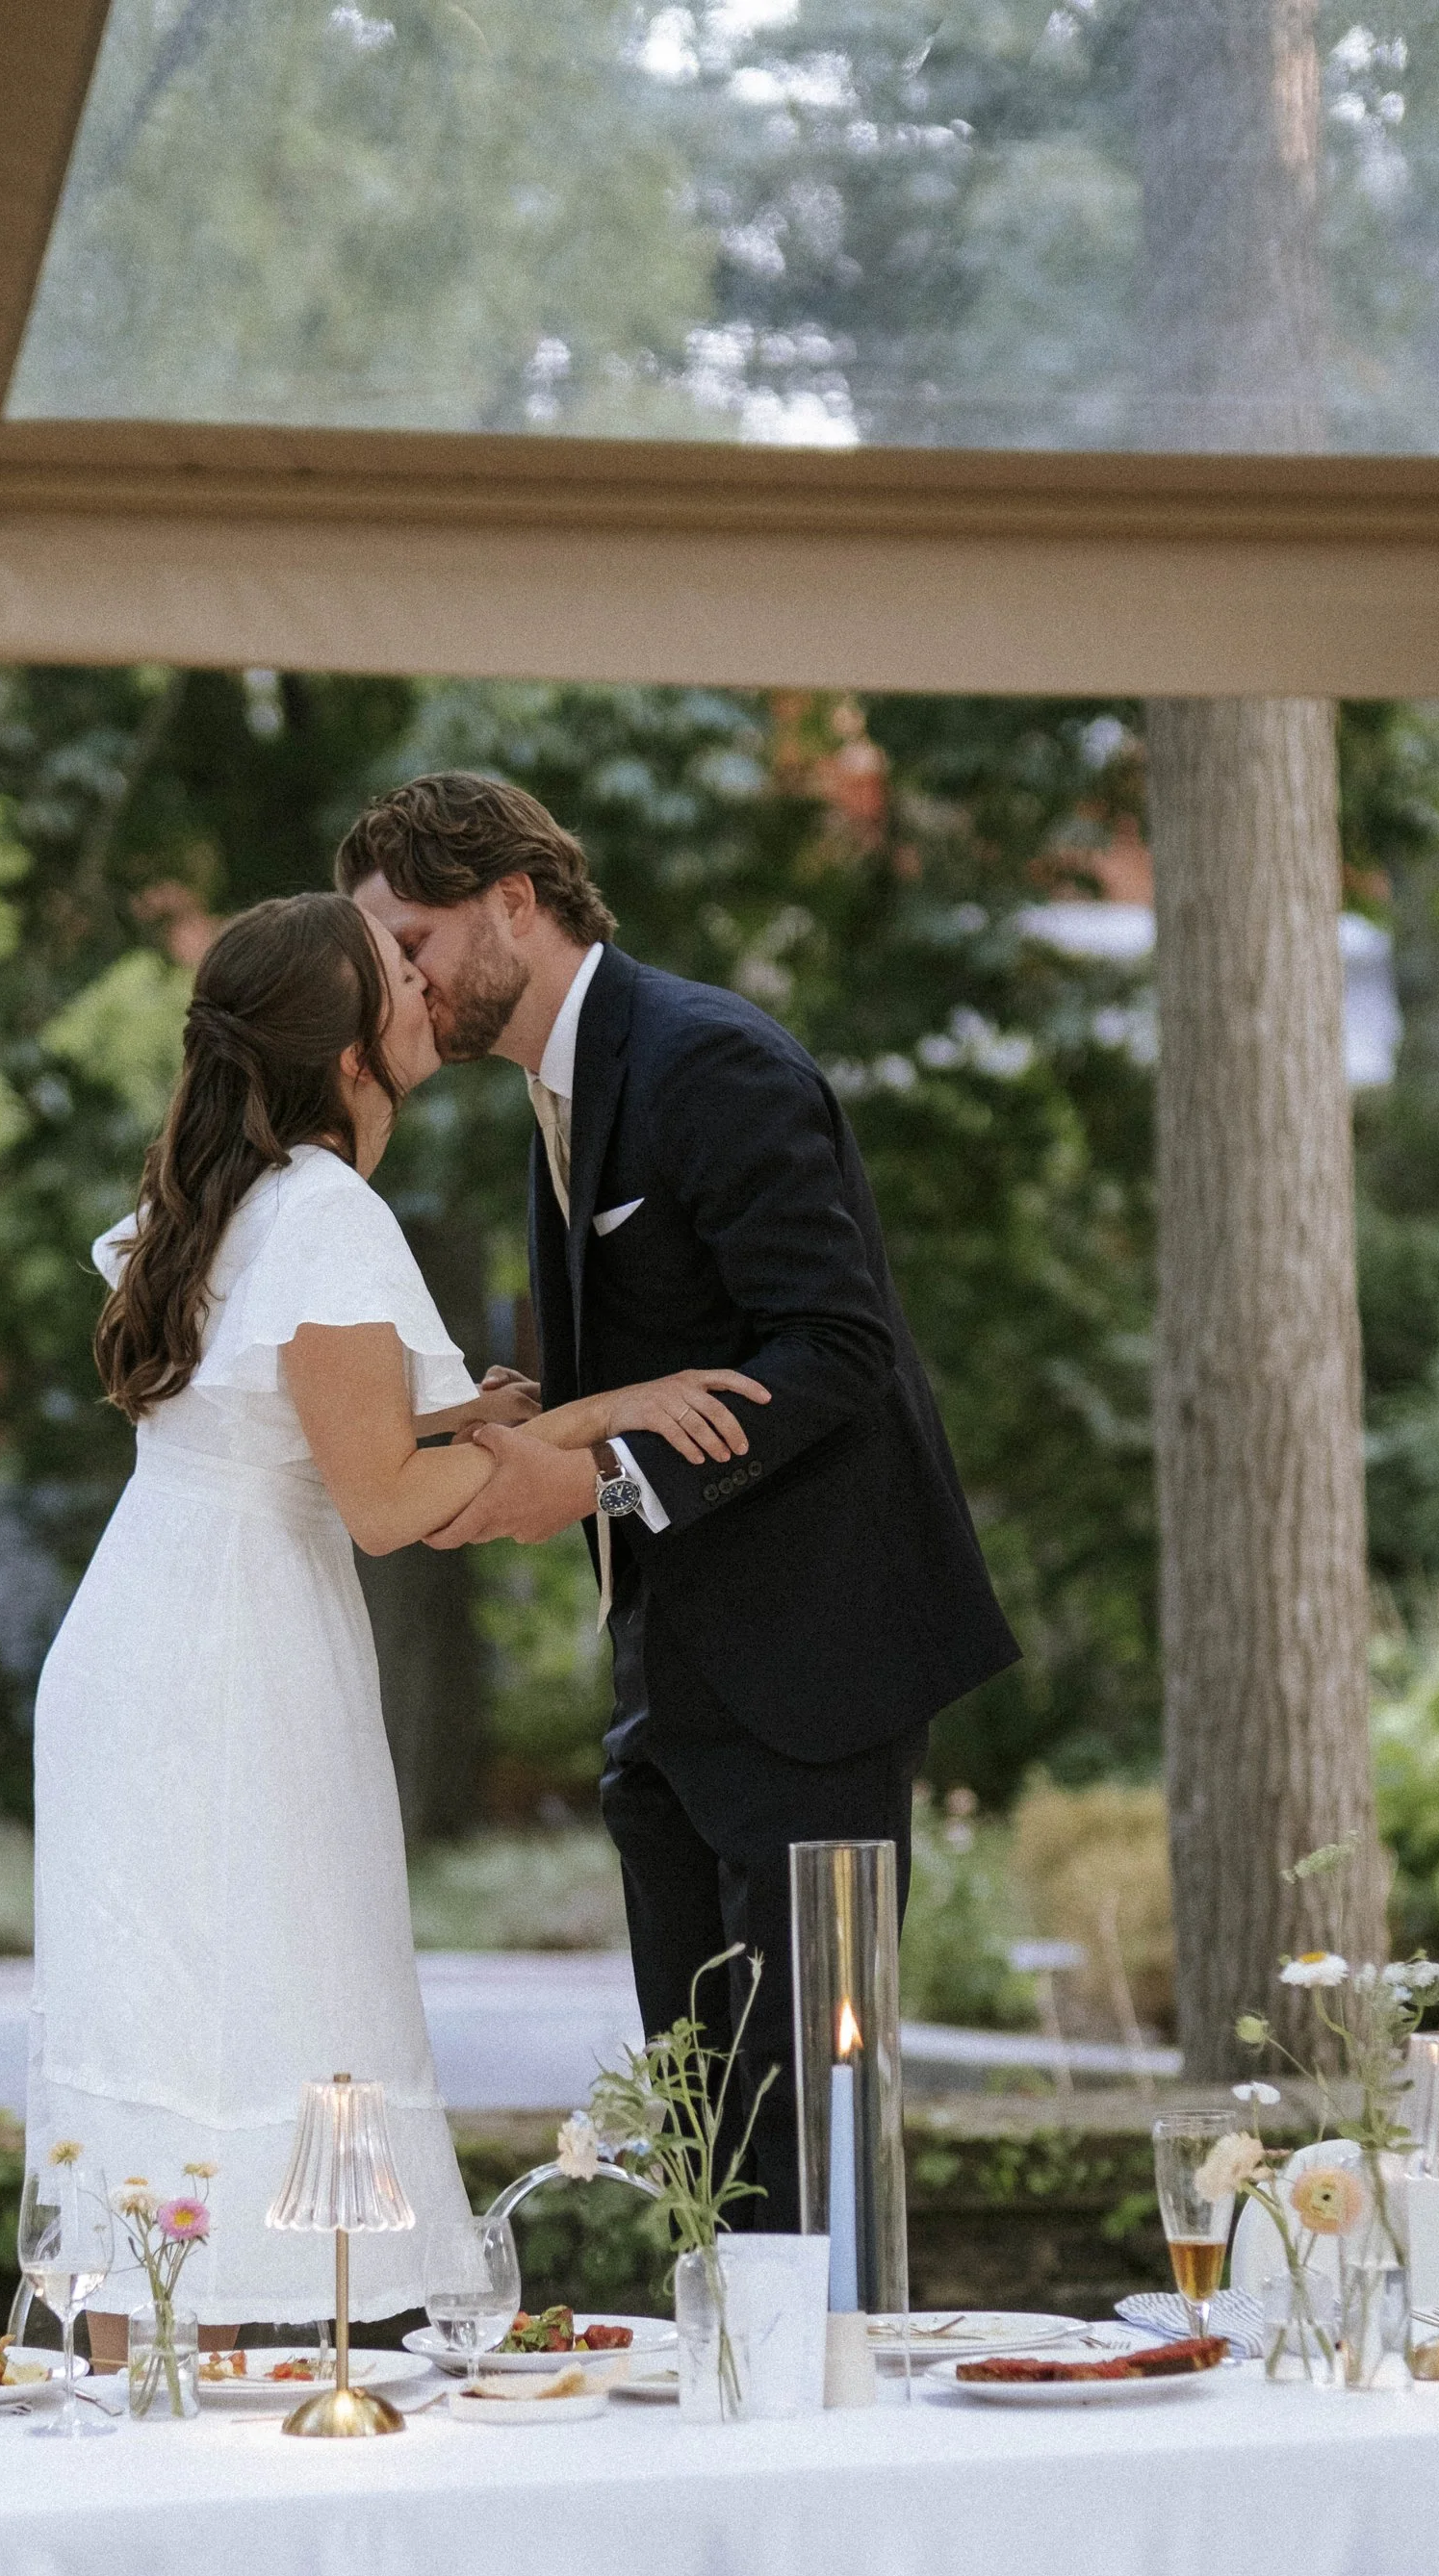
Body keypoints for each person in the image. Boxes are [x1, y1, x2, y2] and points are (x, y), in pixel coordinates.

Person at [29, 889, 766, 2318]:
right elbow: (385, 1504)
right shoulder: (322, 1211)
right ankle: (262, 2396)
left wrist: (570, 1417)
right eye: (396, 974)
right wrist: (622, 1426)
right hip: (230, 1654)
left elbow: (375, 1443)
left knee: (188, 2029)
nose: (428, 987)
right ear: (347, 1043)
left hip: (163, 1627)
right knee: (264, 2010)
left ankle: (147, 2404)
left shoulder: (246, 1199)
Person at [338, 775, 1019, 2230]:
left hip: (811, 1677)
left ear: (514, 898)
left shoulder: (712, 1061)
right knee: (708, 2145)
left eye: (416, 938)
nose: (402, 977)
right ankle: (738, 2411)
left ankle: (816, 2432)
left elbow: (838, 1345)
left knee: (813, 2158)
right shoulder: (561, 1093)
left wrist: (593, 1474)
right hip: (678, 1687)